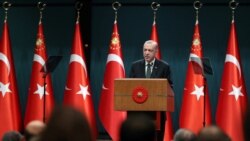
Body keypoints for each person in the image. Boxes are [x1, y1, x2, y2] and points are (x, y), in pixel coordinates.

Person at [129, 40, 173, 141]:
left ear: (156, 51)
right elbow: (130, 87)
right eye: (145, 50)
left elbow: (169, 87)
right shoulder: (135, 66)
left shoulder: (164, 67)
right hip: (138, 111)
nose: (147, 53)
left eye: (150, 50)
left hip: (157, 111)